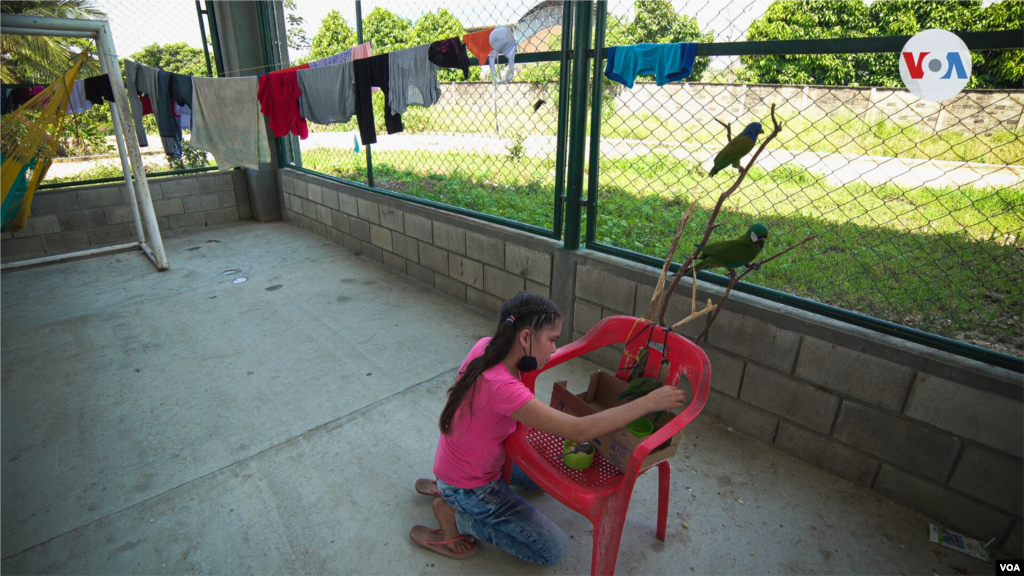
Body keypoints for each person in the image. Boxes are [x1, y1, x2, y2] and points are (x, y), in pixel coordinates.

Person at [409, 292, 688, 563]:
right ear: (526, 337)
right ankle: (454, 512)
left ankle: (448, 489)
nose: (555, 349)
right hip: (473, 484)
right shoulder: (502, 387)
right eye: (552, 340)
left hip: (466, 460)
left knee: (539, 481)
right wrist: (649, 402)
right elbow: (579, 430)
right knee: (552, 549)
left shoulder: (486, 347)